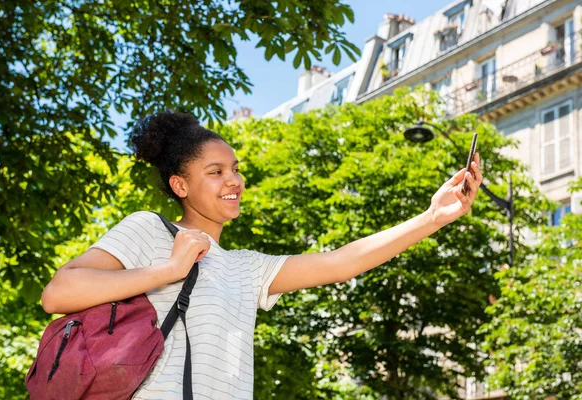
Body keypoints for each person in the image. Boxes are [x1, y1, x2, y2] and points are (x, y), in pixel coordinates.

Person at [41, 111, 483, 399]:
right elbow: (59, 293)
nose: (233, 180)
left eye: (234, 169)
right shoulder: (149, 230)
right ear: (181, 186)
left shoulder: (245, 267)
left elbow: (341, 261)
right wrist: (171, 268)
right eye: (215, 172)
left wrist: (432, 218)